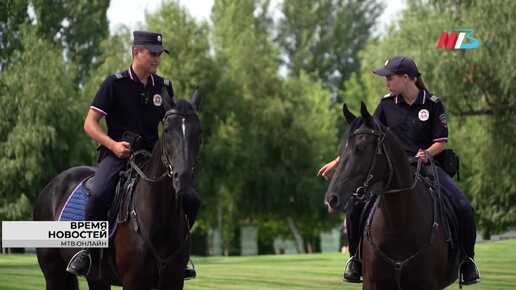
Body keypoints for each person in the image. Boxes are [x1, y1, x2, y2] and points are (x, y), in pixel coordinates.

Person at [318, 56, 480, 285]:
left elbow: (440, 141)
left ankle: (467, 261)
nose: (386, 82)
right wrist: (337, 162)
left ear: (406, 78)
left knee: (462, 205)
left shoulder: (432, 103)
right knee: (355, 208)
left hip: (425, 165)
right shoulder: (386, 104)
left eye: (390, 77)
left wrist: (427, 153)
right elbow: (366, 138)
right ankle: (355, 259)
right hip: (392, 168)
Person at [66, 31, 200, 280]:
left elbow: (170, 128)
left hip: (152, 158)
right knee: (98, 197)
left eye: (160, 54)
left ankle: (178, 257)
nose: (157, 58)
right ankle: (88, 253)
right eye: (152, 53)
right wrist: (113, 144)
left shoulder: (164, 87)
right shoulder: (113, 84)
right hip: (117, 155)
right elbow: (90, 124)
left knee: (192, 200)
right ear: (136, 52)